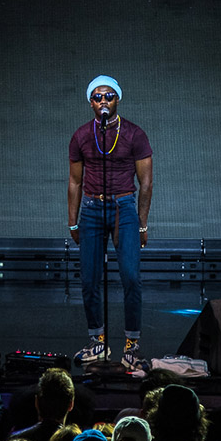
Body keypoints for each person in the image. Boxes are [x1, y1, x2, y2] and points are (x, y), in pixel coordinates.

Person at [69, 75, 153, 371]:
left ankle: (132, 345)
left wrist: (142, 224)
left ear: (117, 99)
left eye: (108, 96)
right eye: (97, 97)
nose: (103, 100)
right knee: (89, 279)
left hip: (123, 207)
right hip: (92, 208)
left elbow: (145, 183)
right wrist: (73, 223)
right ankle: (98, 341)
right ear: (90, 102)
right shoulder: (81, 135)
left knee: (131, 277)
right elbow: (75, 181)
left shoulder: (134, 134)